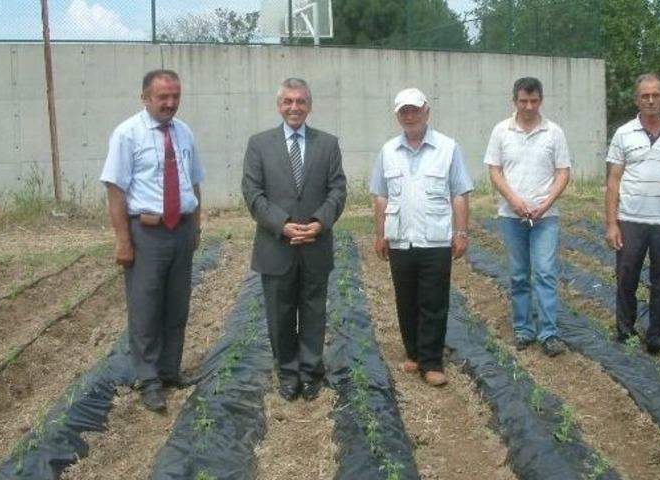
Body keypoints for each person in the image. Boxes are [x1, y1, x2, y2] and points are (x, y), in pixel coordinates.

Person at [100, 69, 205, 412]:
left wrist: (196, 227)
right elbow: (115, 189)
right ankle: (148, 380)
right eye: (163, 97)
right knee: (145, 308)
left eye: (176, 96)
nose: (170, 103)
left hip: (181, 229)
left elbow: (194, 182)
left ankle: (170, 371)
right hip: (147, 233)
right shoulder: (127, 134)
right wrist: (123, 240)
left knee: (177, 305)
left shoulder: (184, 132)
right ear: (145, 98)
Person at [242, 78, 347, 402]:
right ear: (279, 106)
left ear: (309, 105)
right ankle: (288, 373)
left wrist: (319, 223)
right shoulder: (259, 144)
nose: (294, 107)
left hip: (315, 245)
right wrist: (282, 224)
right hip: (277, 246)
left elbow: (337, 190)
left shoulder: (327, 144)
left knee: (314, 312)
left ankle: (311, 371)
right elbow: (253, 193)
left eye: (300, 101)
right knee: (280, 314)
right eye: (288, 101)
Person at [370, 88, 473, 387]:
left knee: (433, 301)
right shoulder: (388, 151)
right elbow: (381, 196)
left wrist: (461, 232)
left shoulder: (447, 148)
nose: (410, 116)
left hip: (435, 239)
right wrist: (380, 233)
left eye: (415, 110)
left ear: (426, 111)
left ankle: (431, 361)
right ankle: (414, 353)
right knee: (406, 299)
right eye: (404, 111)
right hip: (401, 239)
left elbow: (459, 193)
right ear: (397, 116)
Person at [604, 73, 660, 355]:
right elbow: (613, 181)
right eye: (645, 96)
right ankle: (625, 331)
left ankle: (657, 335)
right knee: (626, 276)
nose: (651, 100)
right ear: (637, 100)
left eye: (656, 95)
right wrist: (612, 223)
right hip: (631, 219)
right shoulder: (623, 133)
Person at [484, 77, 571, 356]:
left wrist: (546, 204)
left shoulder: (554, 132)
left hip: (546, 217)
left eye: (534, 101)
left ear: (541, 100)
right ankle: (523, 329)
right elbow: (494, 170)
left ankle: (549, 333)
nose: (529, 106)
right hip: (512, 216)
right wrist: (513, 200)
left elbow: (563, 172)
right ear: (514, 101)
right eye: (523, 101)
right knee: (519, 274)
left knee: (545, 272)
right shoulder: (501, 131)